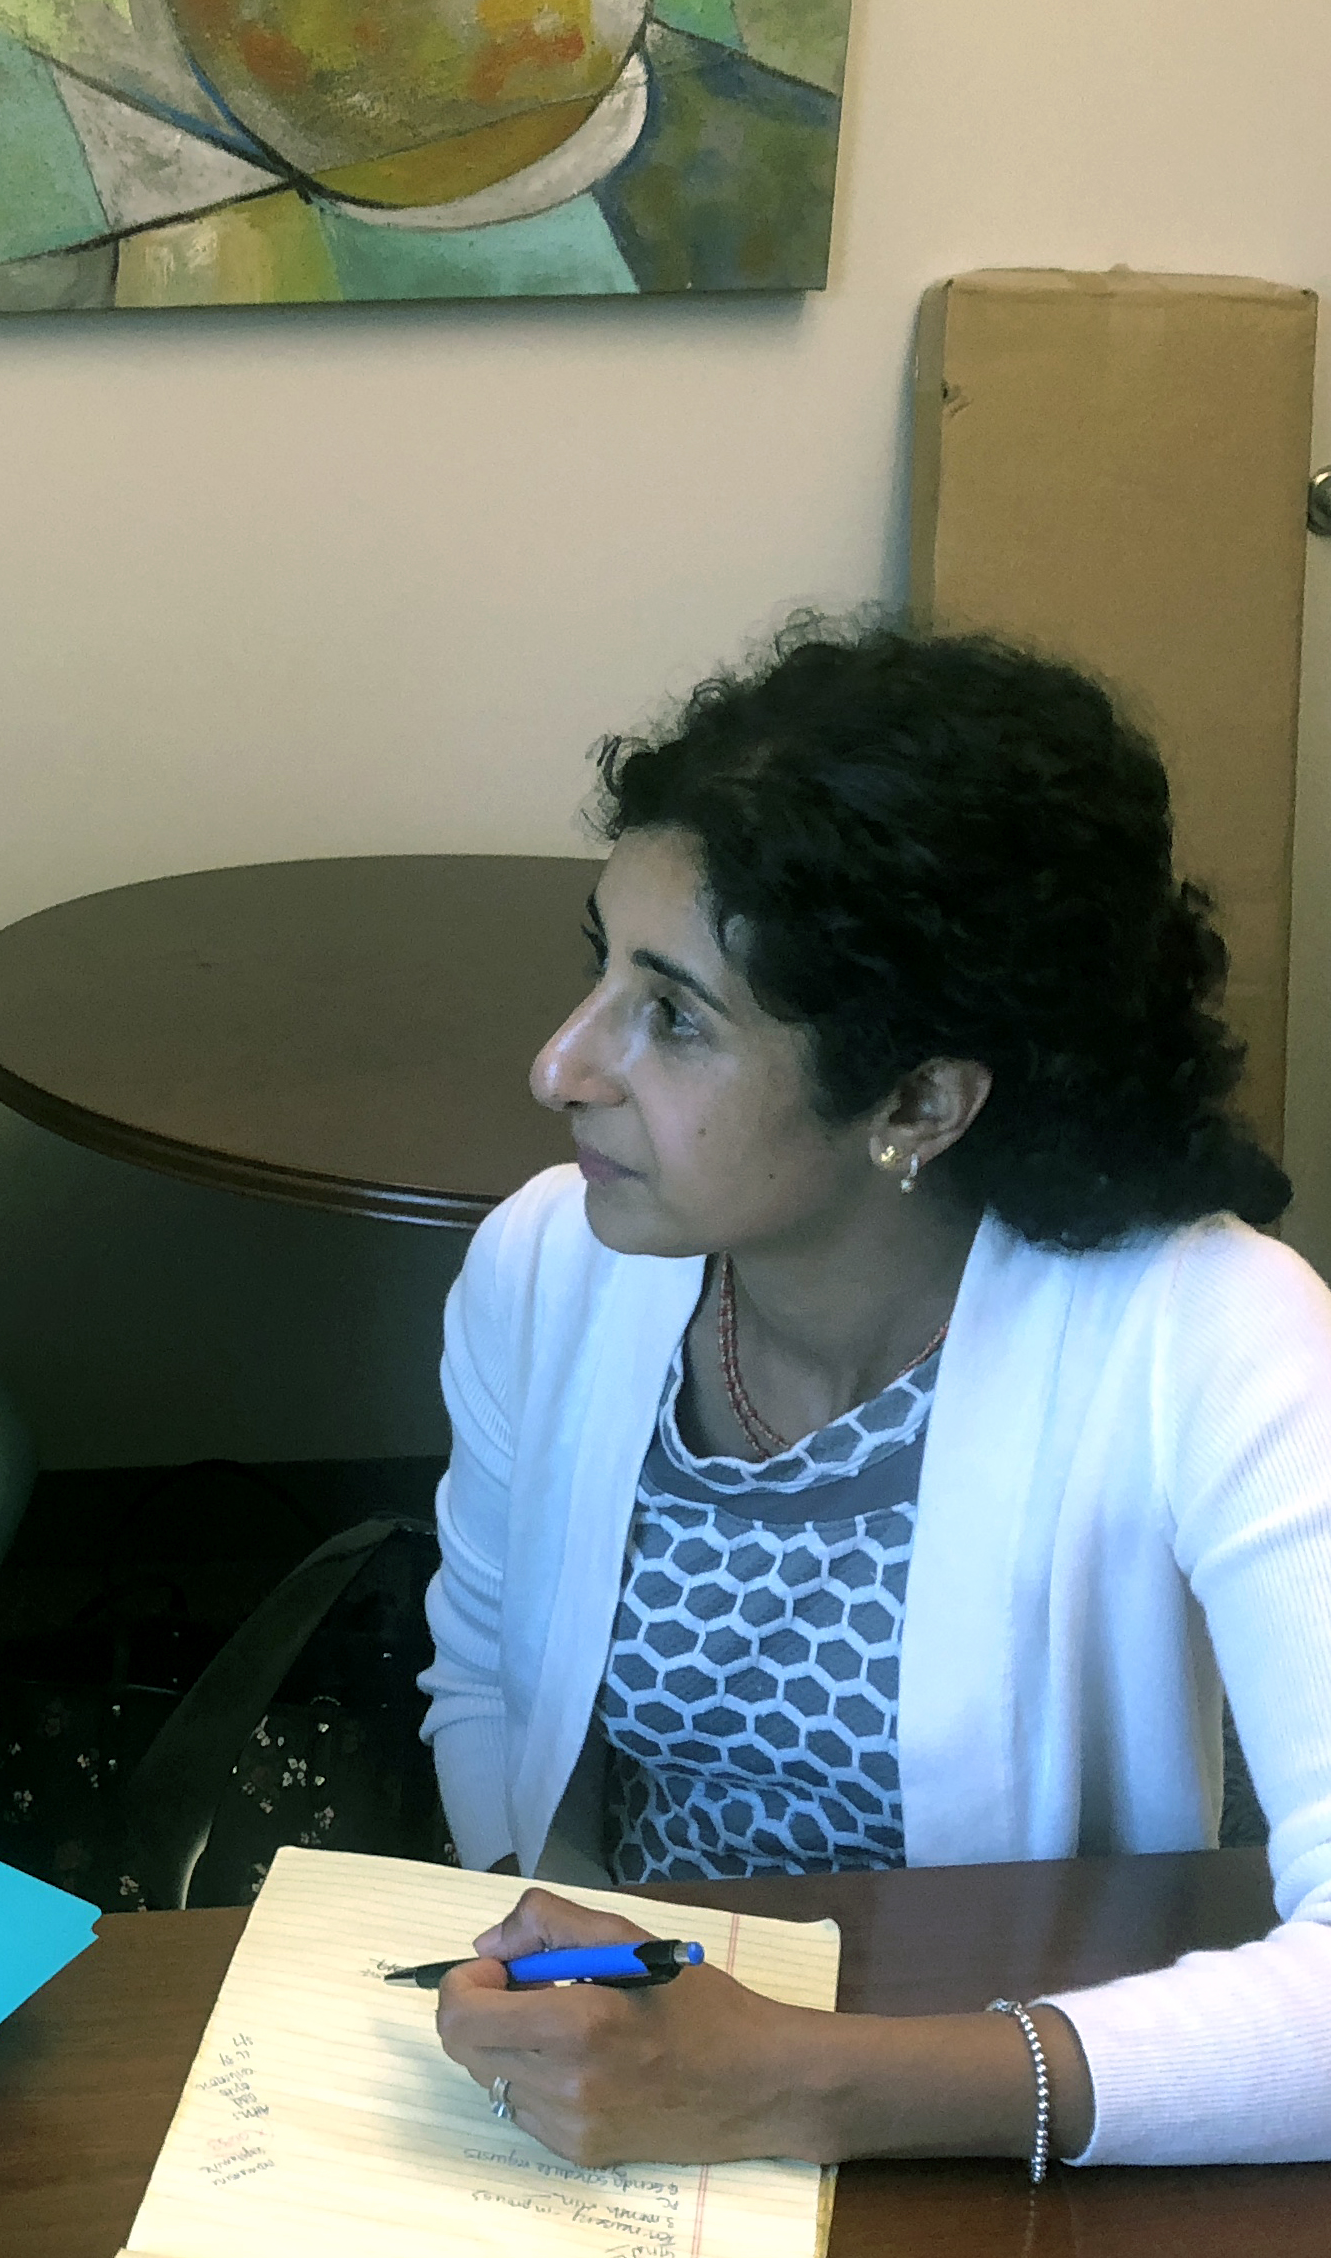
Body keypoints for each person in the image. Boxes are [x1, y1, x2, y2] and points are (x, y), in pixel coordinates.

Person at [418, 623, 1331, 2172]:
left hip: (1011, 2110)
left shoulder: (1215, 1334)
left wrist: (795, 2080)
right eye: (600, 968)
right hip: (635, 2100)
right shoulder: (547, 1269)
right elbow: (483, 1687)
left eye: (678, 1015)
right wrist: (572, 1987)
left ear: (918, 1100)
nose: (562, 1064)